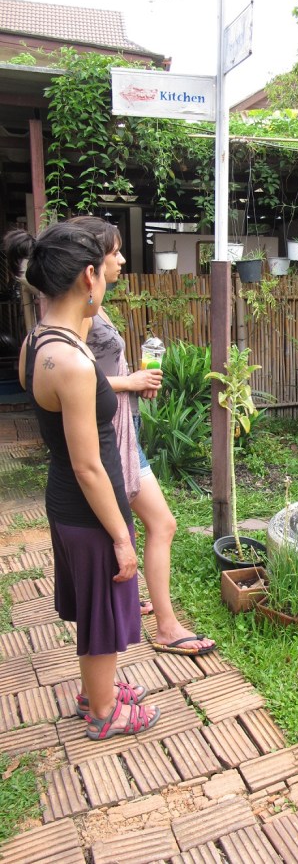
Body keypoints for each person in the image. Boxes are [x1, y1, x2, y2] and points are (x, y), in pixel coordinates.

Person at [7, 222, 160, 739]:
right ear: (88, 276)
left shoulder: (37, 343)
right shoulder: (70, 360)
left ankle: (98, 690)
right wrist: (121, 537)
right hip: (88, 504)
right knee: (103, 618)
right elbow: (88, 465)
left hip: (66, 501)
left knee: (96, 606)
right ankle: (104, 713)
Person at [69, 217, 214, 656]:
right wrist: (128, 384)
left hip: (120, 432)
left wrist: (132, 383)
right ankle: (167, 628)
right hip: (106, 438)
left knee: (156, 524)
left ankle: (140, 605)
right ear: (92, 263)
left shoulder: (93, 304)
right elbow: (76, 379)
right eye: (114, 252)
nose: (123, 259)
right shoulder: (79, 310)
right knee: (161, 524)